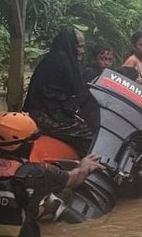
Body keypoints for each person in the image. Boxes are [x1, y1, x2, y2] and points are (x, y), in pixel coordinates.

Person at [0, 112, 103, 237]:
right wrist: (85, 166)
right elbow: (74, 179)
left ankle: (48, 207)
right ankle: (52, 207)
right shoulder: (41, 173)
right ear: (25, 145)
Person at [23, 26, 92, 156]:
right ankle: (84, 170)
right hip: (45, 114)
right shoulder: (60, 59)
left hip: (51, 111)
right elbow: (52, 95)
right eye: (79, 46)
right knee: (87, 135)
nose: (82, 51)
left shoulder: (60, 58)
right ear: (70, 44)